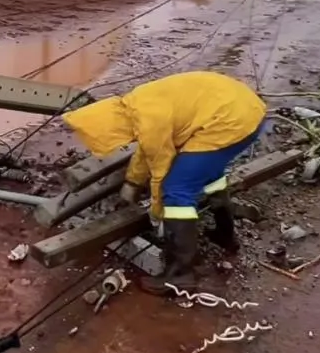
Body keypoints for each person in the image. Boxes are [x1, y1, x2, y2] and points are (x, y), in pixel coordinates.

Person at [61, 71, 266, 295]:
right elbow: (147, 150)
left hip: (231, 122)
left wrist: (157, 213)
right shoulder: (136, 106)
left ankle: (181, 274)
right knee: (209, 173)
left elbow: (160, 170)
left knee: (177, 189)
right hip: (246, 110)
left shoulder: (150, 121)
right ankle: (225, 236)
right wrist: (132, 182)